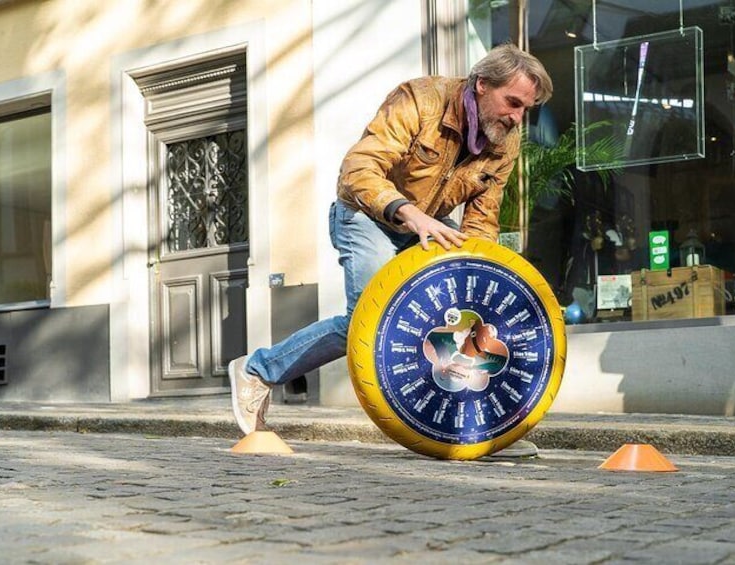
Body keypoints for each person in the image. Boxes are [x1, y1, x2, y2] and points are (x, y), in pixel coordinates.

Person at [229, 43, 553, 435]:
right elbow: (359, 169)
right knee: (367, 320)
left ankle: (482, 429)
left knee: (461, 320)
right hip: (368, 214)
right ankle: (258, 370)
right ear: (483, 84)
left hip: (429, 224)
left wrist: (480, 278)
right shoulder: (419, 100)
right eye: (513, 102)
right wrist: (410, 214)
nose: (518, 117)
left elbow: (482, 218)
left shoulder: (504, 138)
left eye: (526, 110)